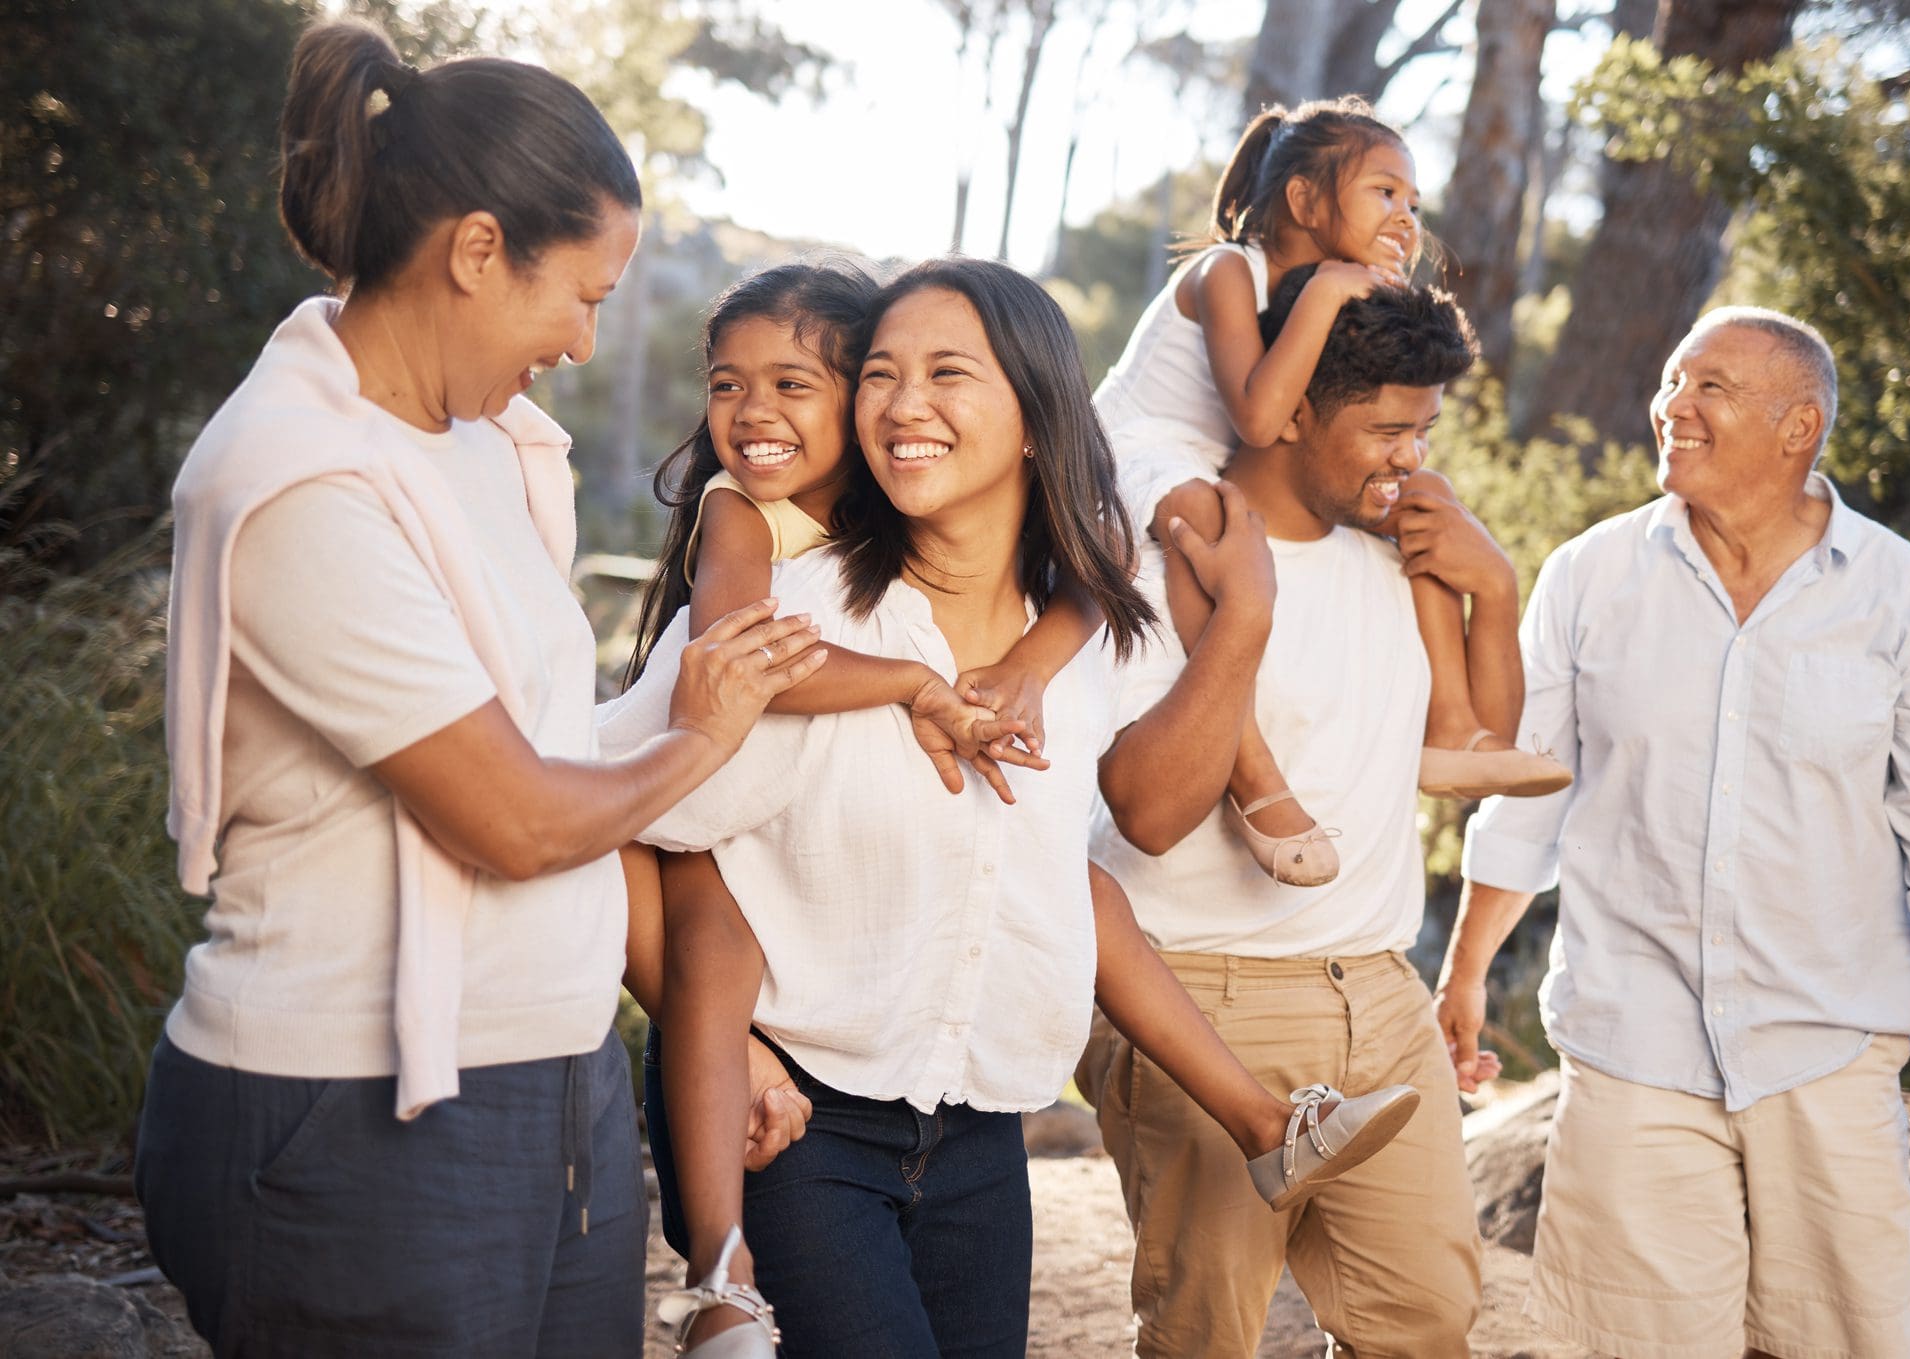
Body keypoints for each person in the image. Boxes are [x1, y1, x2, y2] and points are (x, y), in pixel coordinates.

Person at [135, 20, 826, 1356]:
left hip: (551, 1082)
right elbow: (513, 817)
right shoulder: (297, 480)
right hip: (347, 1111)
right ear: (472, 250)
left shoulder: (485, 443)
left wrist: (684, 1009)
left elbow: (563, 756)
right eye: (579, 292)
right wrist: (701, 729)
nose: (580, 340)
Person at [596, 258, 1414, 1359]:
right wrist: (728, 1040)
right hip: (805, 1125)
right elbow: (608, 820)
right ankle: (718, 1290)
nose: (903, 403)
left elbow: (1144, 814)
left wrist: (1239, 622)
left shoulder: (1076, 633)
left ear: (1033, 417)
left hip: (981, 1129)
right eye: (880, 374)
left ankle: (1268, 1121)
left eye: (946, 372)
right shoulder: (793, 623)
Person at [1437, 307, 1910, 1358]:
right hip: (1631, 1035)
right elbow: (1526, 796)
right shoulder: (1586, 577)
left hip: (1827, 1039)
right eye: (1669, 380)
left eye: (1709, 387)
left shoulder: (1901, 600)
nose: (1672, 406)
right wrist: (1465, 972)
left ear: (1798, 427)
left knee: (1842, 1341)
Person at [1084, 265, 1503, 1358]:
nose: (1410, 456)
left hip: (1377, 985)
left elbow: (1472, 752)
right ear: (1290, 412)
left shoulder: (1395, 554)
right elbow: (1144, 811)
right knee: (1203, 1338)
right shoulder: (1160, 551)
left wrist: (1489, 587)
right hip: (1204, 992)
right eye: (1384, 429)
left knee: (1424, 1325)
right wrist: (1243, 619)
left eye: (1422, 429)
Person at [1092, 95, 1567, 887]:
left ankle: (1453, 725)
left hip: (1211, 452)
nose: (1407, 216)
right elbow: (1257, 416)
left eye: (1413, 201)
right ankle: (1254, 779)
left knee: (1426, 497)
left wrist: (1495, 584)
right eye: (1384, 192)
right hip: (1134, 450)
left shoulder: (1314, 294)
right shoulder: (1227, 271)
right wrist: (1326, 292)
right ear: (1304, 201)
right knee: (1208, 534)